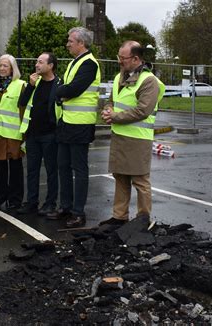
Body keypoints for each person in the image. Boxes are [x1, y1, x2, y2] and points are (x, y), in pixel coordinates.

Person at [100, 41, 165, 226]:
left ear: (136, 59)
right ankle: (119, 216)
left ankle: (143, 218)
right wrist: (107, 110)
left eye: (123, 58)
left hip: (138, 138)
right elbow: (111, 101)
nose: (120, 61)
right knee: (120, 176)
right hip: (120, 135)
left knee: (140, 179)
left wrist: (114, 116)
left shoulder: (149, 81)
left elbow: (142, 111)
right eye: (119, 57)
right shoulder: (119, 77)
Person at [55, 27, 101, 228]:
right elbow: (66, 89)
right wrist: (62, 92)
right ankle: (66, 207)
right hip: (66, 122)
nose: (67, 44)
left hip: (81, 124)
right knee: (63, 166)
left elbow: (73, 89)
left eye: (70, 41)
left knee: (79, 169)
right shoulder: (75, 63)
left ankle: (78, 212)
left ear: (81, 43)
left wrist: (59, 91)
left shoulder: (89, 64)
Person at [16, 52, 61, 218]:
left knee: (51, 171)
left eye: (41, 62)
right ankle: (32, 202)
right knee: (32, 170)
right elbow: (21, 102)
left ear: (50, 66)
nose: (37, 65)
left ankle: (50, 203)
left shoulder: (59, 84)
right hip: (33, 134)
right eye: (37, 61)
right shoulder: (36, 83)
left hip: (50, 134)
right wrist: (31, 85)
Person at [0, 54, 26, 211]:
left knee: (16, 169)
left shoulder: (20, 85)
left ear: (12, 68)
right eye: (0, 65)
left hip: (14, 134)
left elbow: (23, 111)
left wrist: (24, 134)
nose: (2, 68)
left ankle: (15, 200)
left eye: (5, 66)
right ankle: (1, 197)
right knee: (0, 168)